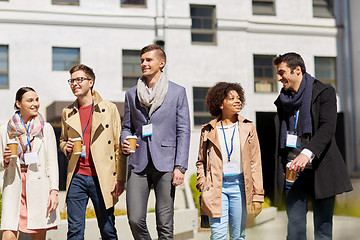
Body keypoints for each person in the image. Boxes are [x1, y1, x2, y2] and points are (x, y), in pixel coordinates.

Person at [273, 52, 353, 240]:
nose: (278, 78)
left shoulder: (324, 92)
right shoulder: (284, 99)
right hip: (293, 171)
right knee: (295, 228)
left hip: (321, 169)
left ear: (297, 70)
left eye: (282, 72)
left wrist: (307, 153)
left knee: (323, 229)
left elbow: (327, 128)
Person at [121, 44, 191, 240]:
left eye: (148, 60)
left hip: (167, 163)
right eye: (142, 60)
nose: (143, 63)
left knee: (165, 223)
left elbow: (184, 130)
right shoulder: (131, 94)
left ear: (162, 63)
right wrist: (125, 140)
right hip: (138, 162)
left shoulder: (178, 92)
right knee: (135, 219)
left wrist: (180, 166)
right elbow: (126, 127)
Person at [59, 64, 126, 240]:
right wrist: (65, 147)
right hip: (76, 177)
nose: (74, 84)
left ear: (91, 82)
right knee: (74, 231)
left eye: (79, 79)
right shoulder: (67, 112)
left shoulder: (109, 109)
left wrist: (120, 178)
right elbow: (63, 140)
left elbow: (118, 147)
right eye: (72, 80)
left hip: (102, 177)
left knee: (108, 230)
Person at [196, 82, 264, 240]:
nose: (237, 101)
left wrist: (258, 196)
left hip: (240, 186)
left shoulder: (248, 128)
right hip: (215, 187)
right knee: (218, 236)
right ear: (220, 103)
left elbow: (255, 163)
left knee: (238, 235)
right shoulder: (208, 130)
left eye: (239, 98)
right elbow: (201, 161)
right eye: (232, 98)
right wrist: (203, 183)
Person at [0, 87, 60, 240]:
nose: (35, 104)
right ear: (18, 104)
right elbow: (1, 163)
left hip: (39, 186)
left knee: (38, 235)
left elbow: (52, 163)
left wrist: (54, 191)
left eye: (37, 99)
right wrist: (5, 160)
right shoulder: (5, 130)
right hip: (15, 185)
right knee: (8, 235)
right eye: (30, 100)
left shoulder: (45, 129)